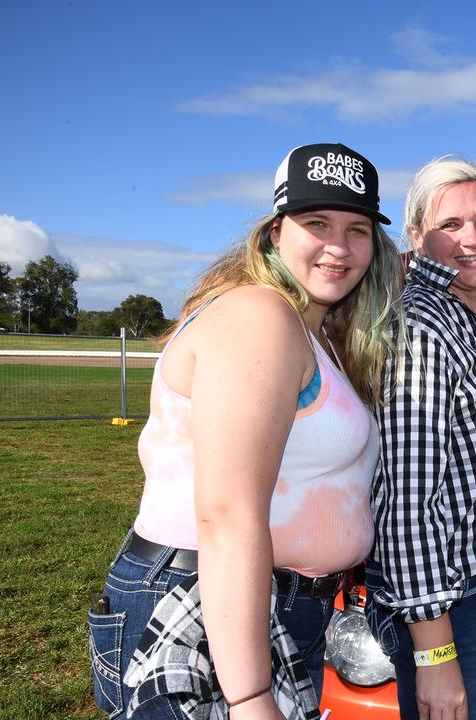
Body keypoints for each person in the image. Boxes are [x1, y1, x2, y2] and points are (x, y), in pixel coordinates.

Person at [87, 142, 403, 719]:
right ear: (275, 232)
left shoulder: (316, 331)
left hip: (272, 608)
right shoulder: (259, 316)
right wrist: (250, 696)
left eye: (358, 230)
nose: (339, 246)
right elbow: (228, 513)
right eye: (317, 223)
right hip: (203, 607)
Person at [367, 157, 476, 720]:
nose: (472, 239)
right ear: (416, 236)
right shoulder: (422, 327)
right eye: (451, 225)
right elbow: (407, 508)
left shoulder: (475, 313)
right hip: (448, 602)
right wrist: (435, 656)